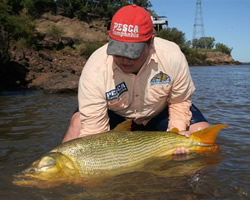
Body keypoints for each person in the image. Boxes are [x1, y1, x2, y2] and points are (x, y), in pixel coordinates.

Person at [62, 5, 209, 154]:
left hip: (159, 112)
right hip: (115, 115)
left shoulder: (173, 57)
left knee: (201, 135)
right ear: (110, 38)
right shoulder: (95, 68)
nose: (125, 60)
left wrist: (175, 136)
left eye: (133, 53)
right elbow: (94, 132)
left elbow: (179, 101)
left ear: (151, 42)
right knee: (77, 127)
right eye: (118, 52)